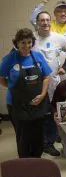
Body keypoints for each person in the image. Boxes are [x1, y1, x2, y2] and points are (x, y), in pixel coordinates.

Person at [0, 28, 52, 158]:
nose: (26, 45)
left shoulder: (38, 57)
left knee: (38, 135)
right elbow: (1, 78)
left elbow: (46, 77)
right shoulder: (10, 59)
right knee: (23, 136)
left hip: (38, 103)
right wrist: (13, 88)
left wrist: (42, 95)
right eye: (23, 42)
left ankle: (37, 160)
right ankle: (24, 164)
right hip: (17, 105)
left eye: (29, 42)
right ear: (16, 43)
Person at [32, 11, 66, 156]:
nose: (45, 23)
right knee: (39, 113)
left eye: (47, 20)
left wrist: (65, 66)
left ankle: (49, 143)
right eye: (42, 20)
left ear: (51, 22)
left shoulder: (58, 38)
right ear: (37, 22)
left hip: (54, 82)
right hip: (35, 84)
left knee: (53, 113)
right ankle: (40, 142)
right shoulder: (31, 39)